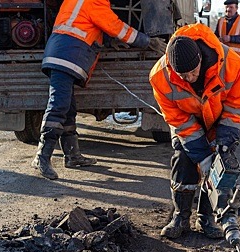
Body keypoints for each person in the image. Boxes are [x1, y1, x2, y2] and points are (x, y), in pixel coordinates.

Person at [32, 0, 167, 180]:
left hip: (62, 53)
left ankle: (72, 155)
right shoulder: (94, 2)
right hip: (66, 56)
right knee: (58, 107)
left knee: (68, 108)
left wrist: (107, 40)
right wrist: (149, 41)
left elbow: (86, 24)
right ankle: (42, 156)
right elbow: (119, 28)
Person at [149, 23, 240, 239]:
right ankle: (180, 216)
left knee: (219, 164)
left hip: (221, 120)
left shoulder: (230, 63)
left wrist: (223, 143)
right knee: (184, 158)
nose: (189, 78)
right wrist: (202, 158)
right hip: (188, 120)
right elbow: (180, 122)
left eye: (193, 72)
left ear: (201, 60)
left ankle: (207, 217)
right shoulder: (160, 77)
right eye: (183, 75)